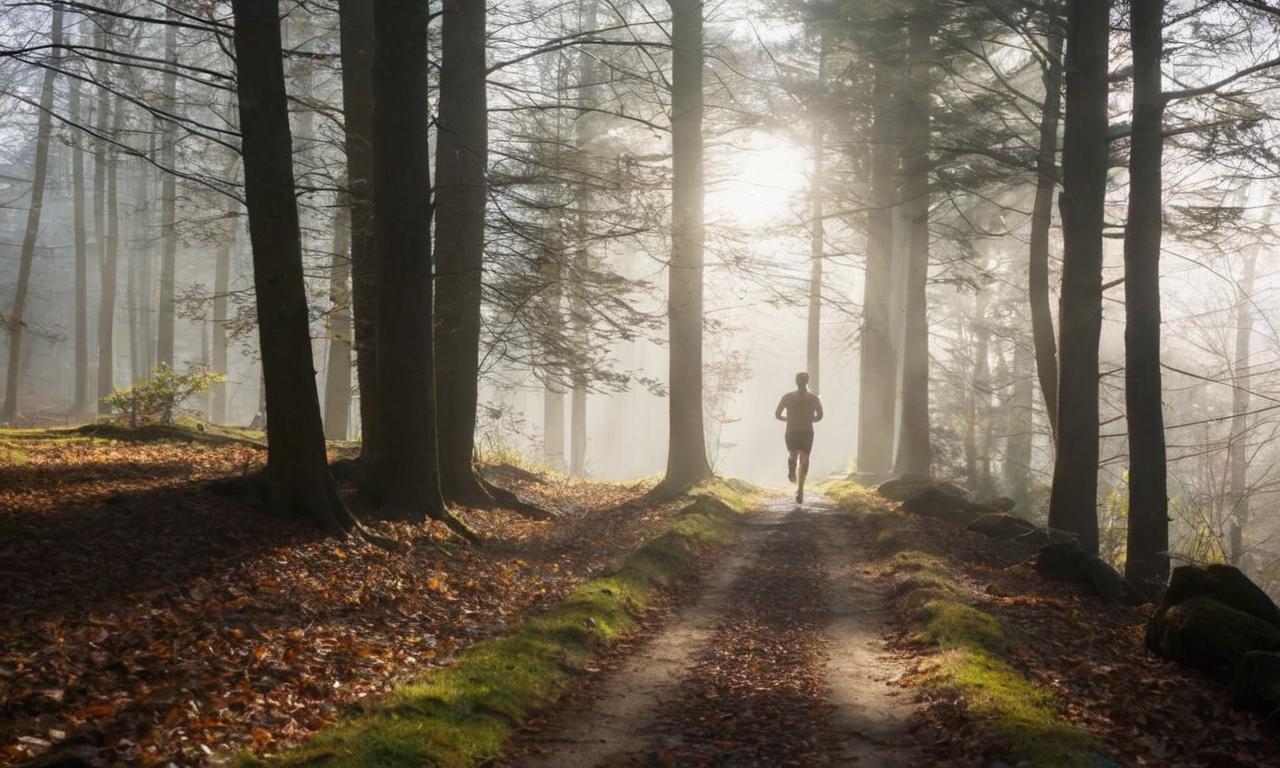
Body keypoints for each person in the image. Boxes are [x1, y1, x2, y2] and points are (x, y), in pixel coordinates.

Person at [775, 372, 823, 503]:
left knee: (793, 453)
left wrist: (789, 419)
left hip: (791, 430)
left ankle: (792, 470)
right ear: (807, 382)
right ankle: (801, 488)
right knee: (805, 457)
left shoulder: (787, 397)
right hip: (807, 431)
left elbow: (777, 414)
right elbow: (820, 416)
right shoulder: (813, 398)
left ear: (796, 382)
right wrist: (809, 419)